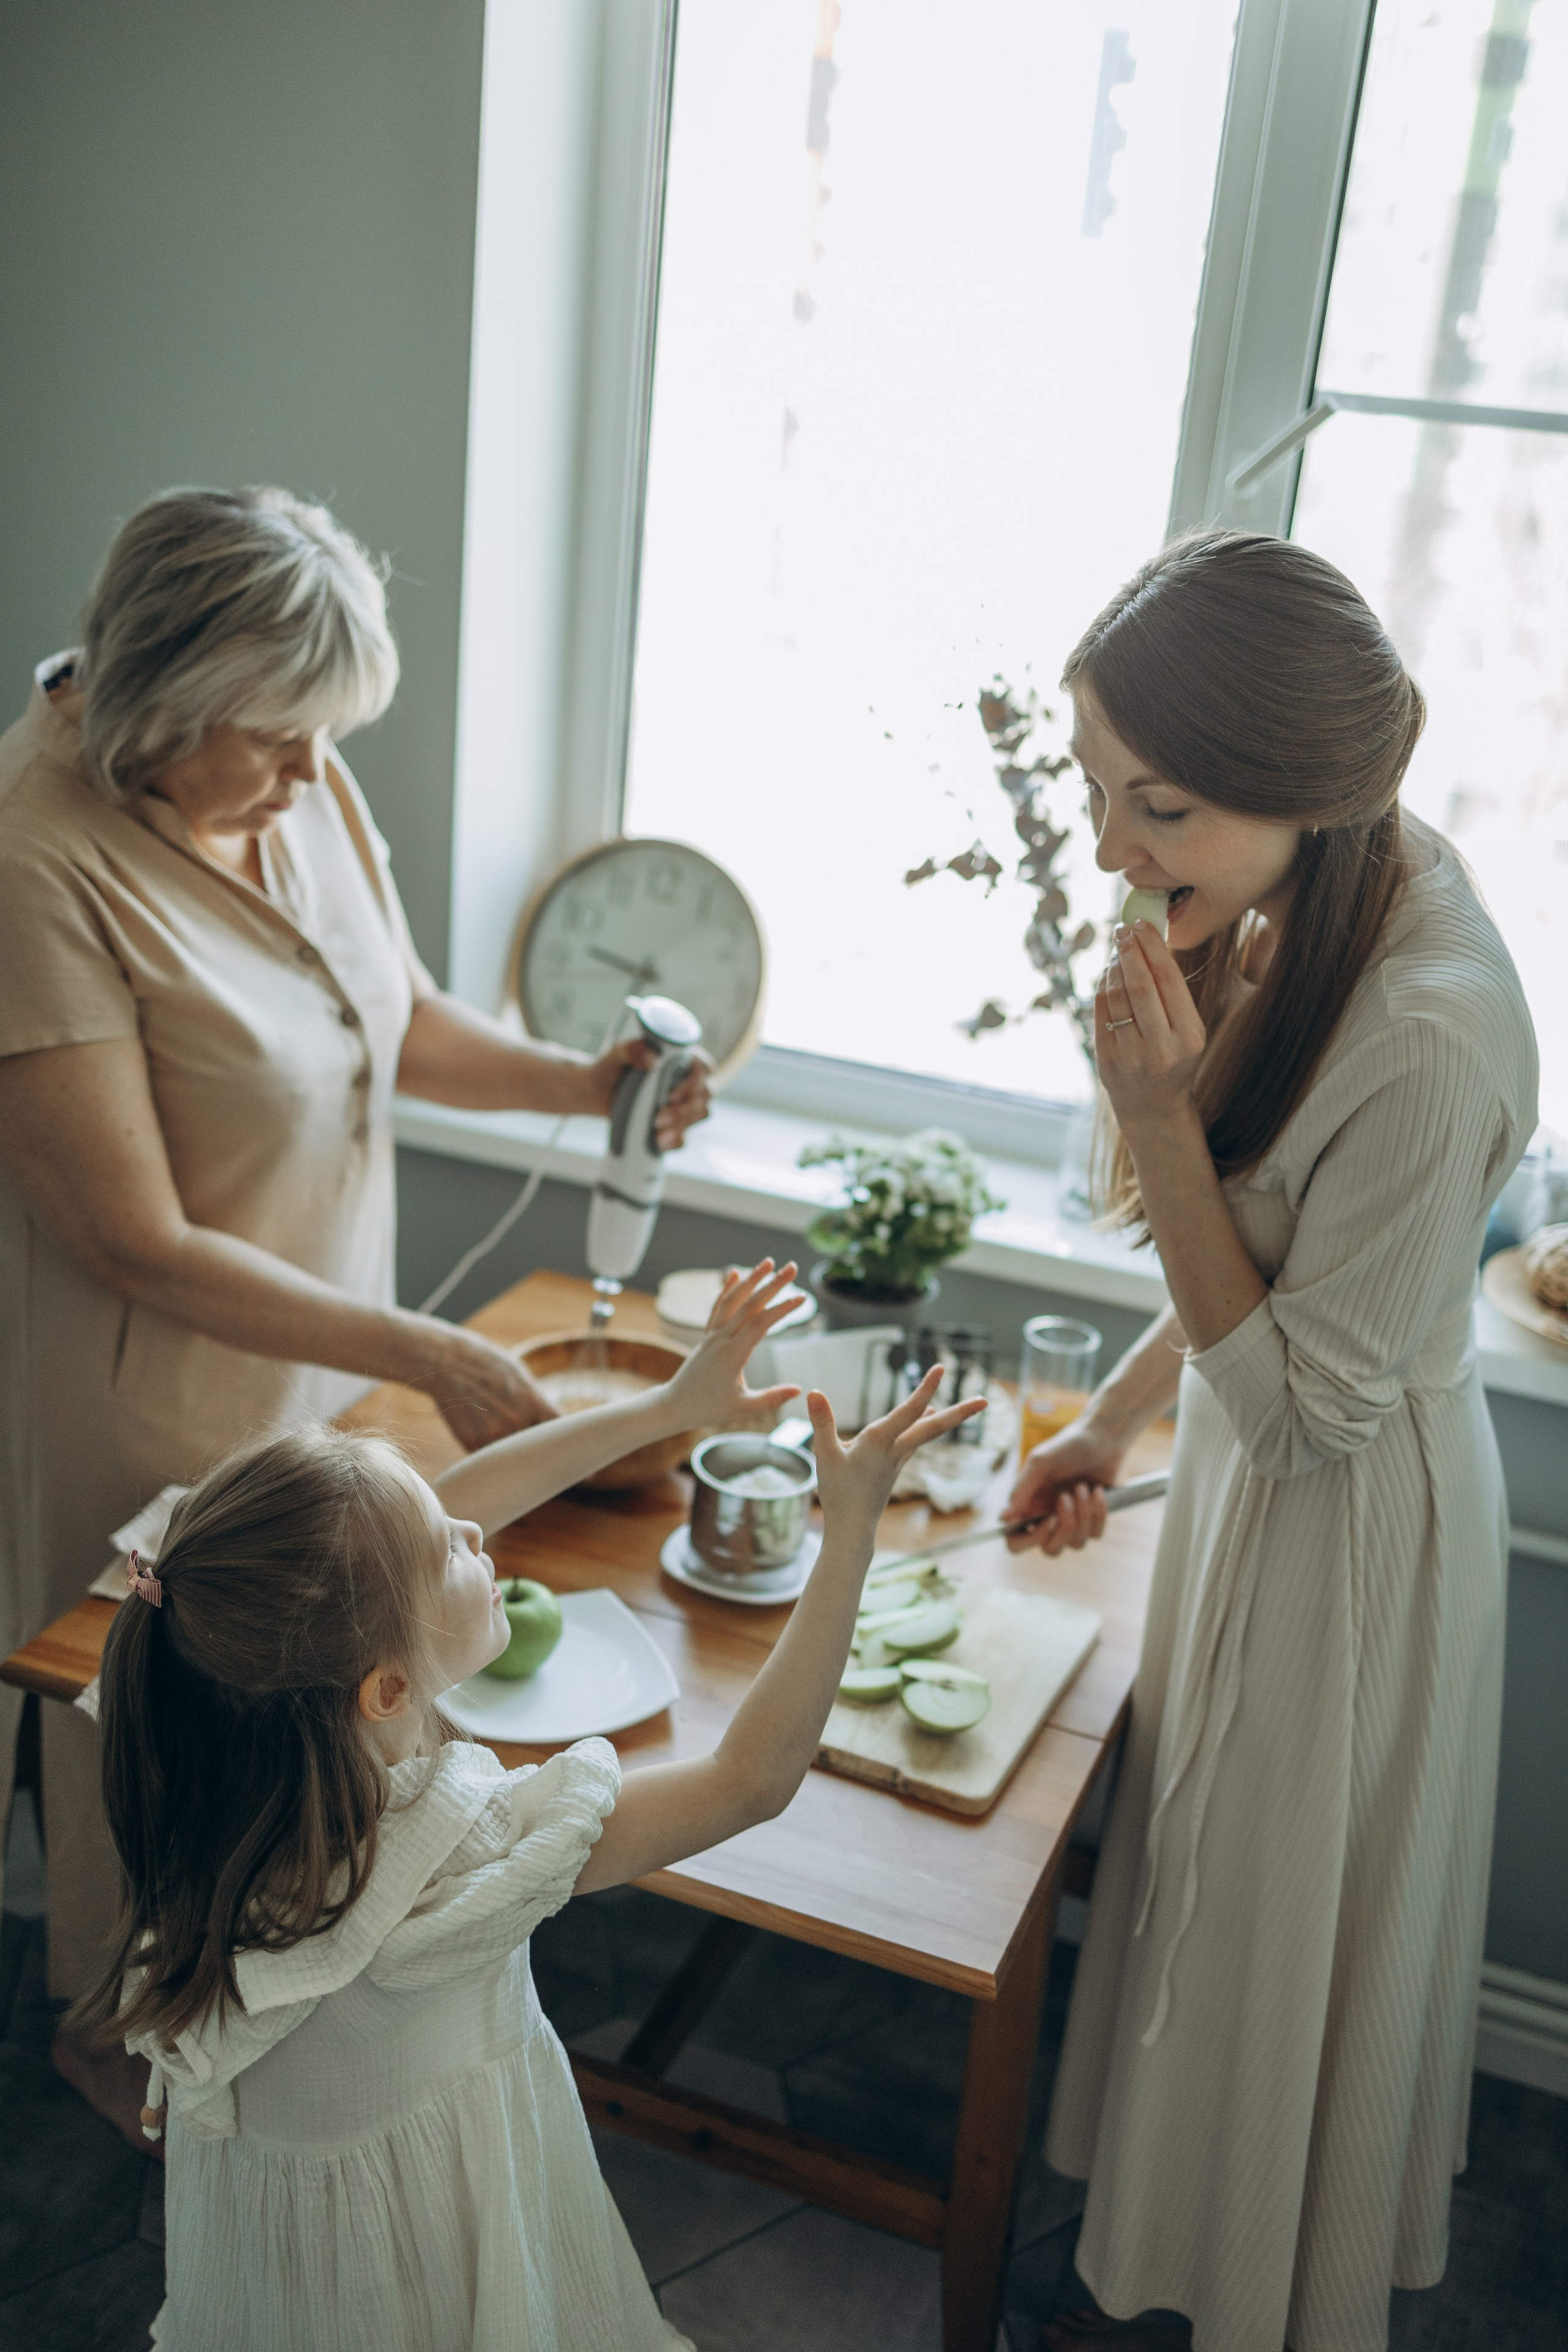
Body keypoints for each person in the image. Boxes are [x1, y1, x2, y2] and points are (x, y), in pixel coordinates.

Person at [0, 486, 710, 2131]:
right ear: (164, 705)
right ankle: (113, 2033)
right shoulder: (38, 864)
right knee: (157, 1714)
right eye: (283, 741)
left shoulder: (275, 750)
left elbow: (398, 1020)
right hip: (154, 1384)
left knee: (320, 1689)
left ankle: (268, 1987)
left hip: (320, 1354)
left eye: (328, 735)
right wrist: (423, 1351)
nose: (317, 778)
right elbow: (132, 1238)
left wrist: (580, 1080)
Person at [71, 1262, 981, 2350]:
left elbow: (435, 1531)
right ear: (390, 1689)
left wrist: (669, 1407)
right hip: (427, 2235)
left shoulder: (213, 1740)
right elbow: (752, 1781)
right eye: (451, 1546)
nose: (477, 1532)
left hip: (274, 2257)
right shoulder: (456, 1861)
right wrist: (850, 1536)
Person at [1004, 532, 1537, 2352]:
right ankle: (1175, 2225)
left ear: (1311, 787)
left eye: (1154, 805)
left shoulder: (1437, 1030)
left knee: (1283, 1912)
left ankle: (1259, 2290)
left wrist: (1152, 1111)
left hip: (1352, 1515)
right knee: (1212, 1874)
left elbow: (1311, 1401)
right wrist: (1108, 1416)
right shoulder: (1309, 894)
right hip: (1263, 1448)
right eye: (1096, 788)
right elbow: (1274, 1253)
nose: (1107, 848)